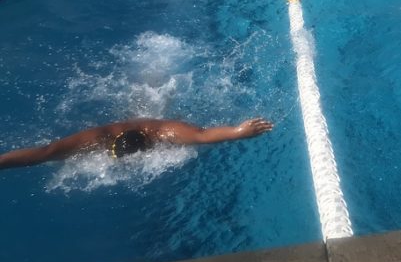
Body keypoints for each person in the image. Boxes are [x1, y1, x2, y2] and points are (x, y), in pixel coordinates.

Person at [0, 117, 273, 169]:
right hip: (113, 130)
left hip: (154, 123)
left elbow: (203, 135)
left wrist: (239, 131)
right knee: (53, 153)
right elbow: (45, 152)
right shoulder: (95, 139)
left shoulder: (167, 132)